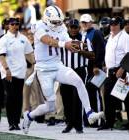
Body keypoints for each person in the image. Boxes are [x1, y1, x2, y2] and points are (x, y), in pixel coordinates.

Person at [22, 5, 104, 134]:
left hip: (57, 65)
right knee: (51, 106)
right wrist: (64, 44)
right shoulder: (39, 26)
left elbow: (68, 41)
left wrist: (78, 46)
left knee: (78, 81)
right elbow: (47, 40)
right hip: (44, 70)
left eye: (60, 21)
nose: (58, 24)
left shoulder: (61, 27)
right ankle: (29, 116)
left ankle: (89, 113)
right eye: (55, 22)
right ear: (47, 19)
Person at [0, 17, 35, 131]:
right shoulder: (3, 39)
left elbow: (29, 54)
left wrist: (35, 63)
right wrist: (7, 69)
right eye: (12, 24)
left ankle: (17, 122)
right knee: (10, 96)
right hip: (8, 72)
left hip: (20, 72)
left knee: (18, 97)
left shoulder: (23, 38)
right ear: (8, 25)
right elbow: (2, 57)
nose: (15, 26)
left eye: (17, 24)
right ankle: (11, 122)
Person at [98, 16, 129, 130]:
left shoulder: (125, 37)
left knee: (125, 97)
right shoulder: (111, 36)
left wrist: (122, 68)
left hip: (121, 71)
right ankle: (109, 122)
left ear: (120, 25)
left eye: (115, 24)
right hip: (110, 72)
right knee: (108, 97)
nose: (113, 26)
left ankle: (126, 122)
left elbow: (128, 54)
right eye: (111, 24)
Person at [60, 19, 86, 133]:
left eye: (76, 27)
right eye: (72, 27)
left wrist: (81, 51)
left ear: (79, 28)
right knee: (66, 98)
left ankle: (79, 125)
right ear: (68, 28)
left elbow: (92, 55)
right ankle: (69, 124)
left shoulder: (84, 38)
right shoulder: (63, 39)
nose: (74, 29)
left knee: (78, 99)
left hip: (79, 70)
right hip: (65, 70)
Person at [80, 13, 105, 127]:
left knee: (95, 92)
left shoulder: (96, 32)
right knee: (89, 91)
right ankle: (91, 119)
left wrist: (97, 65)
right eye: (83, 22)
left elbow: (100, 50)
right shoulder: (85, 34)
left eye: (86, 22)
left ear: (91, 22)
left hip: (95, 67)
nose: (85, 24)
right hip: (88, 67)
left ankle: (100, 120)